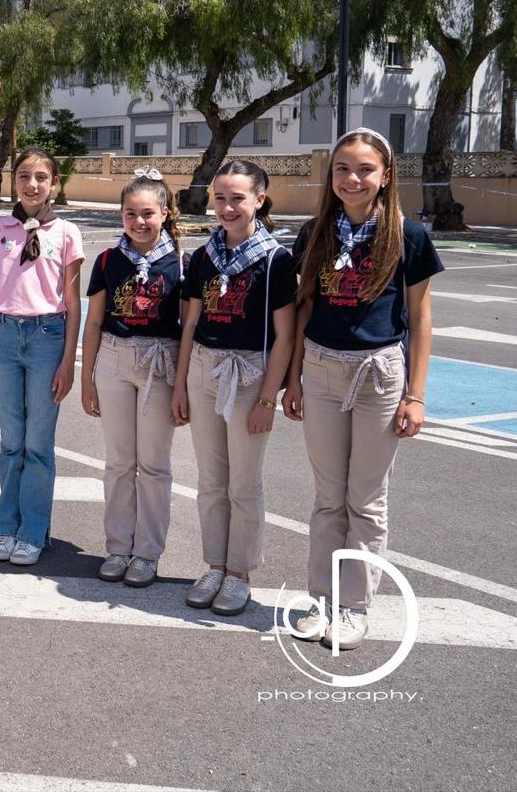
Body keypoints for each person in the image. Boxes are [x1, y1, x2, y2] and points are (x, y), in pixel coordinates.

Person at [283, 128, 442, 650]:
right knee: (328, 497)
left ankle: (354, 607)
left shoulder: (408, 235)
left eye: (364, 170)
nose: (352, 179)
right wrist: (294, 380)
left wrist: (414, 396)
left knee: (366, 501)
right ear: (331, 177)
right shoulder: (314, 234)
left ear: (385, 175)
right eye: (342, 170)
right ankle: (320, 600)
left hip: (379, 374)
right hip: (323, 371)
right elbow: (305, 307)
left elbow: (419, 317)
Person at [172, 159, 297, 618]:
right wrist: (182, 385)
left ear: (259, 200)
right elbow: (191, 323)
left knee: (244, 483)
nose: (226, 207)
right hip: (204, 369)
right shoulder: (204, 256)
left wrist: (269, 398)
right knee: (210, 479)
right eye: (219, 198)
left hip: (249, 376)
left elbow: (286, 336)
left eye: (237, 198)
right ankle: (215, 565)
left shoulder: (275, 259)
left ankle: (239, 573)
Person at [0, 148, 85, 568]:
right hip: (3, 335)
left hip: (46, 336)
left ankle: (32, 531)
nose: (32, 184)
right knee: (10, 441)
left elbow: (73, 303)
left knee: (38, 443)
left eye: (41, 177)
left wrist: (67, 361)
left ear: (54, 183)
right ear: (13, 182)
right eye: (24, 176)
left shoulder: (66, 232)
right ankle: (6, 526)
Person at [81, 170, 183, 588]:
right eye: (130, 214)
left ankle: (146, 554)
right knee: (120, 462)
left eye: (147, 213)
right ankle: (118, 547)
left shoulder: (182, 262)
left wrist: (182, 387)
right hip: (114, 362)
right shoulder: (108, 260)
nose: (139, 222)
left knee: (153, 465)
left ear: (164, 212)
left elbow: (188, 325)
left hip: (161, 363)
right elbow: (94, 323)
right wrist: (87, 377)